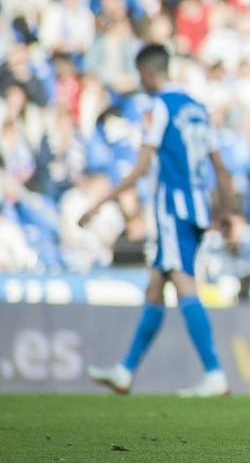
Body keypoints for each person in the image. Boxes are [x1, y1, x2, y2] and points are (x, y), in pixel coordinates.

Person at [80, 43, 236, 397]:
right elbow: (222, 169)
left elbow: (141, 167)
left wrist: (99, 204)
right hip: (198, 209)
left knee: (183, 283)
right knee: (155, 286)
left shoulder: (158, 107)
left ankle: (215, 373)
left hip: (172, 210)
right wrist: (226, 212)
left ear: (149, 72)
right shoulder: (198, 109)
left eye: (140, 74)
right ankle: (125, 371)